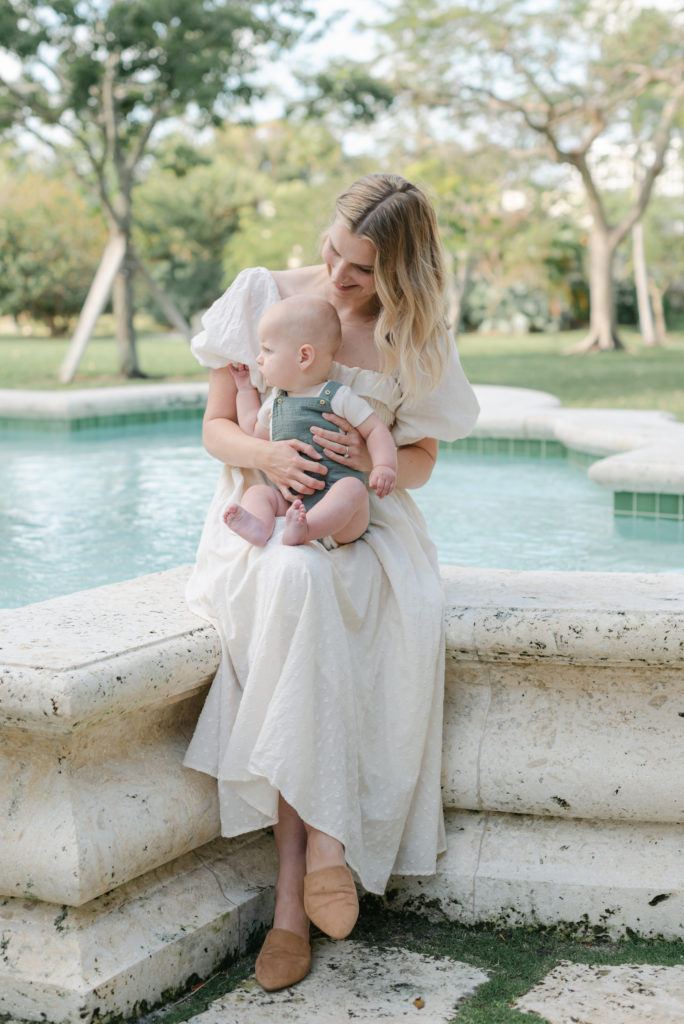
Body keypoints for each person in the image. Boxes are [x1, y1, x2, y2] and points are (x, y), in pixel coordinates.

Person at [183, 172, 480, 992]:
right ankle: (313, 867)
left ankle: (301, 887)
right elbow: (217, 428)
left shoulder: (414, 334)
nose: (338, 278)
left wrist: (370, 463)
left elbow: (418, 459)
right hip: (266, 510)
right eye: (333, 253)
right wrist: (269, 456)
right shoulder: (264, 299)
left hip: (362, 521)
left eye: (361, 271)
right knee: (295, 583)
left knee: (332, 591)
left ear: (401, 271)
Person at [224, 293, 397, 547]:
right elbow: (252, 430)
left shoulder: (337, 396)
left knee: (353, 489)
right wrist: (244, 390)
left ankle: (308, 528)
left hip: (342, 519)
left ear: (303, 357)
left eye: (268, 350)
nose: (259, 358)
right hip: (291, 502)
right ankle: (259, 525)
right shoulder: (275, 401)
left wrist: (384, 466)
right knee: (258, 493)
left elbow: (375, 429)